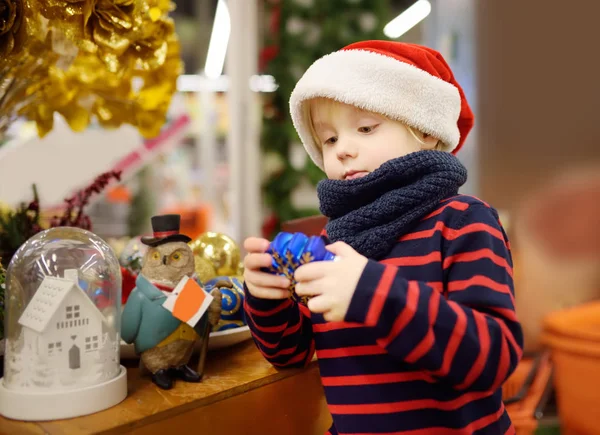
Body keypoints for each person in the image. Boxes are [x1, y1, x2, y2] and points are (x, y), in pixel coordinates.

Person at [243, 40, 523, 434]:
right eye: (329, 139)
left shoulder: (463, 221)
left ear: (425, 130)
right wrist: (267, 299)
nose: (343, 150)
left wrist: (372, 293)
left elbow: (493, 356)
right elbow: (291, 353)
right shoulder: (332, 240)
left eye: (365, 128)